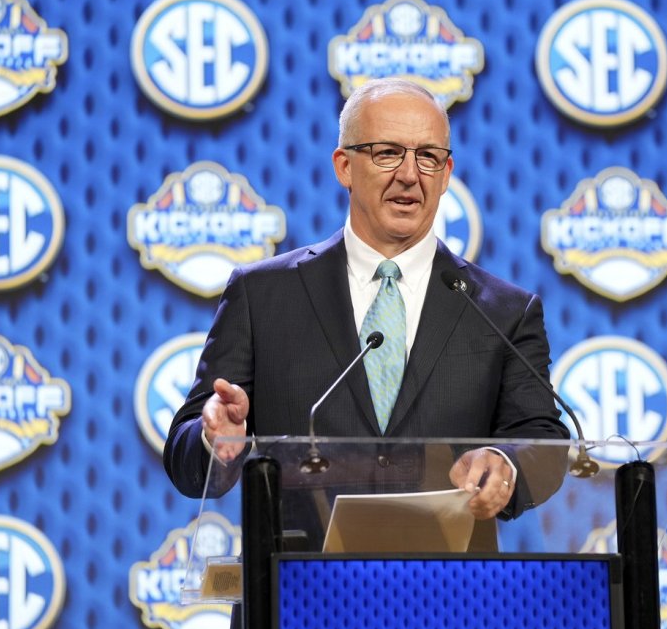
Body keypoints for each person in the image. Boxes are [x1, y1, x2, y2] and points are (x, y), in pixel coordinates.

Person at [163, 78, 568, 524]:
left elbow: (542, 439)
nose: (410, 175)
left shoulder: (503, 312)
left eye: (428, 157)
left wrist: (504, 461)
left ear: (446, 173)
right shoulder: (261, 296)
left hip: (448, 567)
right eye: (387, 153)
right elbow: (184, 458)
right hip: (300, 567)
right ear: (344, 167)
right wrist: (217, 439)